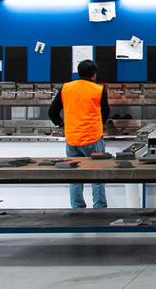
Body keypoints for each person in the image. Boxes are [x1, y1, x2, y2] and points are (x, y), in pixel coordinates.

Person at [48, 59, 111, 209]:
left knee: (74, 175)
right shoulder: (98, 90)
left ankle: (77, 209)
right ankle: (100, 209)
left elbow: (52, 112)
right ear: (94, 75)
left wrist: (62, 124)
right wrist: (97, 125)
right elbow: (105, 113)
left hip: (72, 139)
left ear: (78, 72)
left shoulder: (66, 88)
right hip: (93, 139)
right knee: (97, 176)